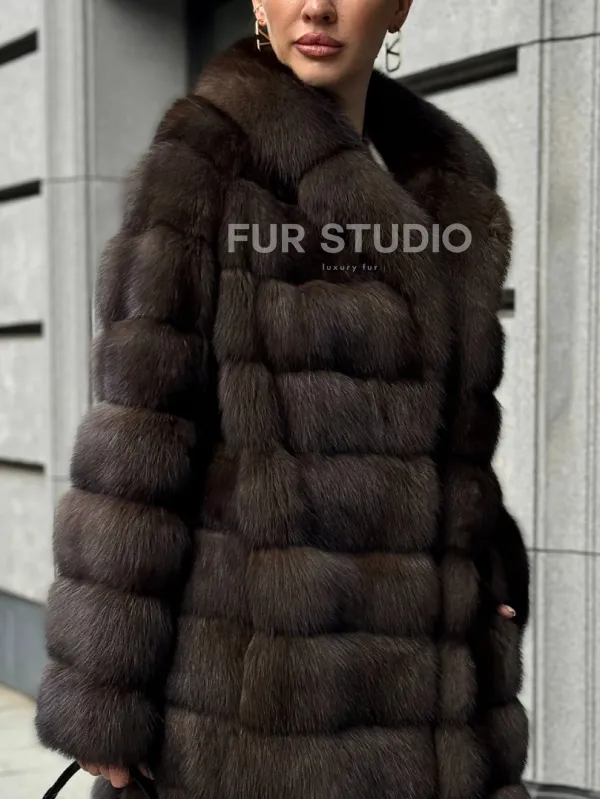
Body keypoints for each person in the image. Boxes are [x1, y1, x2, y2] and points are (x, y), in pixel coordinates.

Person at [34, 1, 531, 797]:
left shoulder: (450, 190)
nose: (318, 5)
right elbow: (136, 441)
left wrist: (491, 574)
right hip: (252, 716)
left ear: (400, 6)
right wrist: (103, 694)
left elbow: (459, 443)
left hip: (433, 710)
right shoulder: (208, 162)